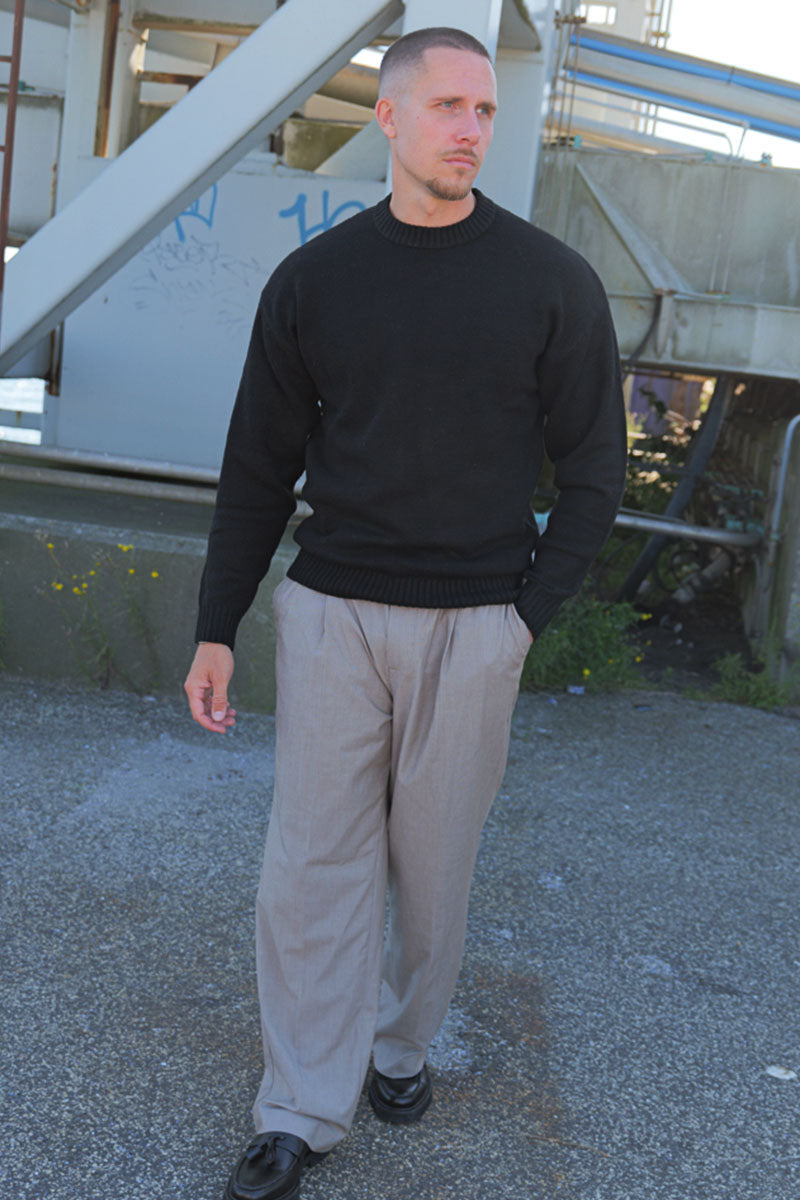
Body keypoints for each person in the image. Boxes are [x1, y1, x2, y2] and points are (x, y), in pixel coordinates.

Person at [184, 25, 627, 1200]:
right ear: (386, 117)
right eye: (446, 107)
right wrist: (218, 624)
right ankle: (297, 1106)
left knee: (432, 873)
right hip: (331, 611)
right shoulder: (315, 282)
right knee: (312, 869)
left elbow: (595, 472)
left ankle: (399, 1045)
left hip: (474, 623)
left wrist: (522, 621)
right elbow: (257, 466)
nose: (470, 129)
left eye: (484, 110)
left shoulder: (549, 283)